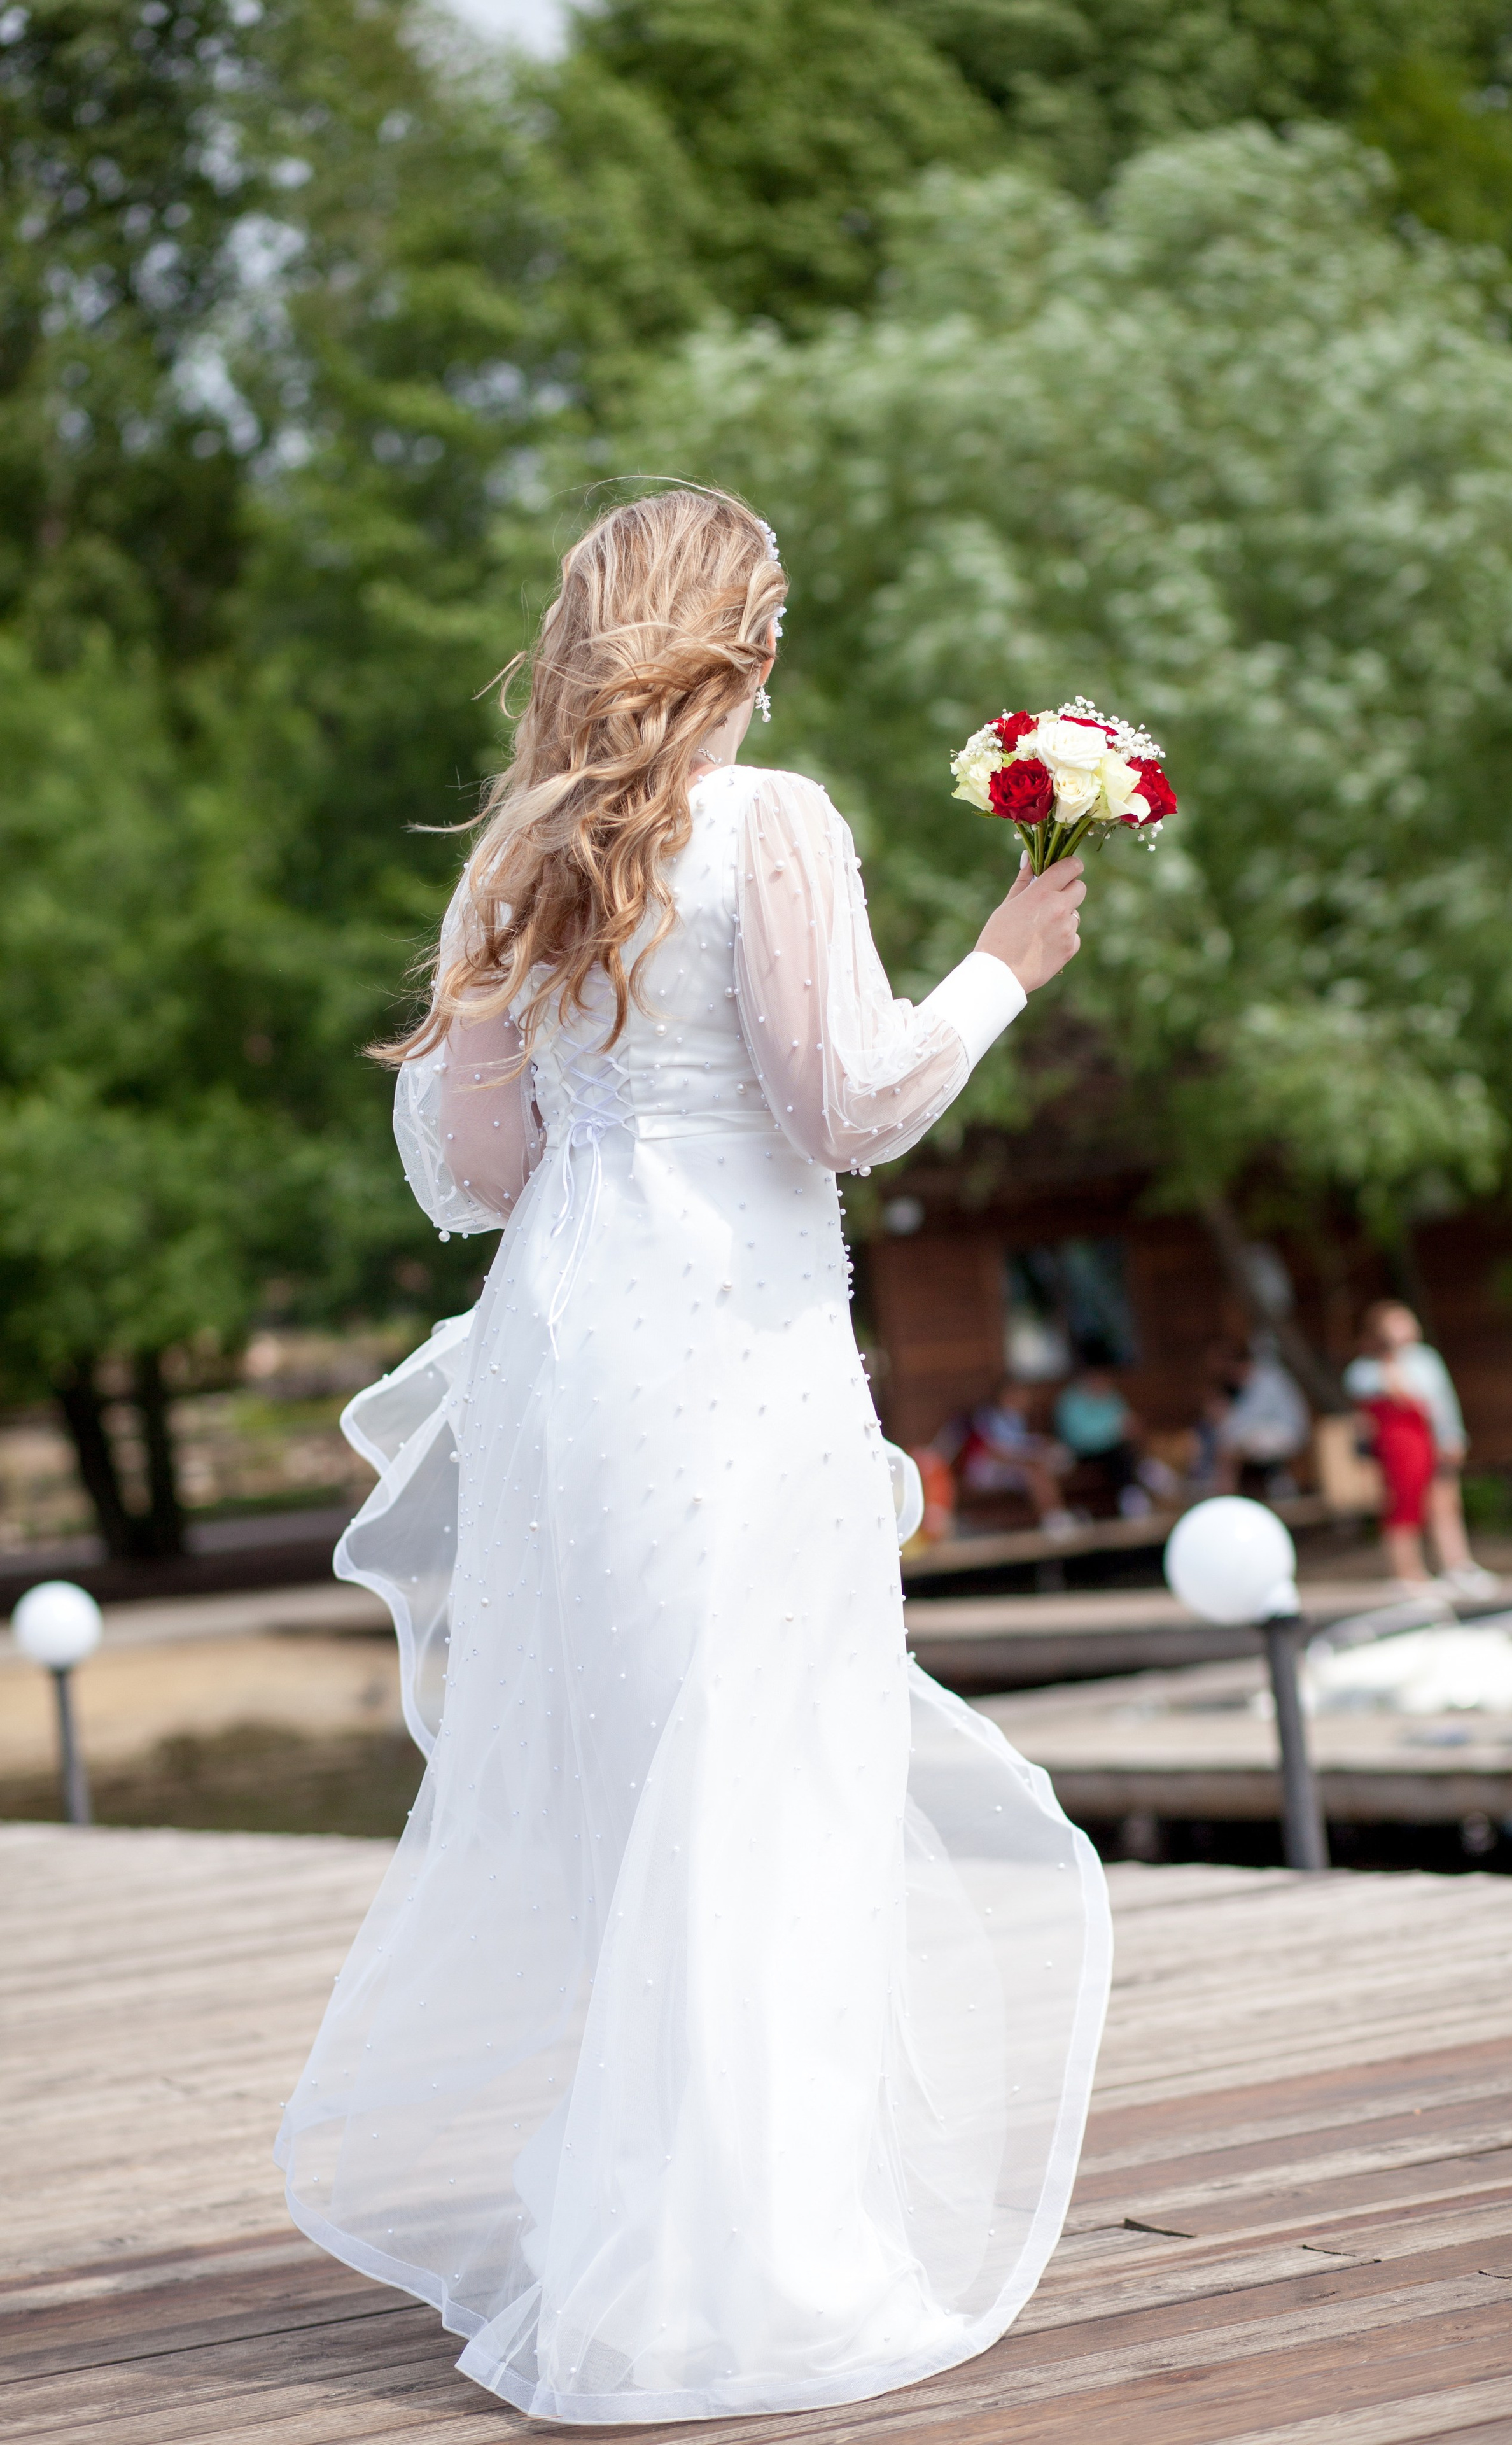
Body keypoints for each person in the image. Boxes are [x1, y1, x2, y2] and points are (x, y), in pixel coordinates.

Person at [276, 488, 1112, 2424]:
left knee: (643, 1792)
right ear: (739, 632)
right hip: (731, 1358)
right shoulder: (775, 817)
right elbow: (847, 1104)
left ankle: (640, 2240)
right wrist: (1003, 958)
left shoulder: (516, 852)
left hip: (568, 1359)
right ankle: (757, 2265)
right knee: (766, 1782)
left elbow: (476, 1176)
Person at [1345, 1300, 1499, 1597]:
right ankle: (1408, 1571)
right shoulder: (1366, 1369)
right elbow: (1373, 1401)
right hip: (1399, 1449)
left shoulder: (1426, 1360)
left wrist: (1452, 1435)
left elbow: (1442, 1401)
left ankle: (1457, 1565)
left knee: (1445, 1502)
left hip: (1430, 1440)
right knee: (1404, 1507)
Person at [959, 1379, 1077, 1535]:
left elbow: (1018, 1444)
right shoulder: (988, 1417)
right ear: (1005, 1396)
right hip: (984, 1471)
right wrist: (1029, 1459)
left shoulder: (1015, 1418)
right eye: (1020, 1395)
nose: (1025, 1399)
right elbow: (995, 1453)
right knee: (1035, 1470)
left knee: (1043, 1467)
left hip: (1009, 1468)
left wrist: (1042, 1447)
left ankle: (1056, 1516)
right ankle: (1055, 1520)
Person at [1214, 1334, 1310, 1498]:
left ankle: (1229, 1496)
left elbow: (1246, 1422)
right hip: (1274, 1432)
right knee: (1233, 1444)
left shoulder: (1265, 1380)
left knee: (1234, 1446)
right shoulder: (1258, 1380)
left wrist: (1223, 1422)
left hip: (1287, 1433)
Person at [1053, 1355, 1145, 1515]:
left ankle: (1135, 1493)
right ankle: (1137, 1488)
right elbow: (1077, 1436)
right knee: (1120, 1455)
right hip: (1081, 1452)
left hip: (1111, 1450)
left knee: (1126, 1452)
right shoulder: (1071, 1400)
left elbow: (1125, 1420)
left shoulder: (1111, 1397)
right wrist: (1113, 1433)